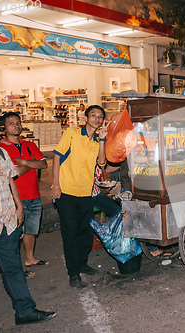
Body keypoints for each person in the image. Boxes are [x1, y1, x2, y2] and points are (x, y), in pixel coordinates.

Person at [0, 119, 56, 325]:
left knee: (13, 268)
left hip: (6, 221)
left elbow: (11, 178)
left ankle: (24, 311)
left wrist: (18, 207)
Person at [51, 105, 107, 288]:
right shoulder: (72, 133)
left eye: (100, 116)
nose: (97, 119)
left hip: (85, 193)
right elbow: (57, 158)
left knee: (85, 231)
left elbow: (101, 162)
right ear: (86, 118)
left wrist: (103, 140)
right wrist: (56, 185)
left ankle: (82, 264)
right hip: (66, 191)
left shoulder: (97, 140)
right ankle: (73, 272)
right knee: (70, 233)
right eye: (93, 115)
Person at [0, 112, 49, 274]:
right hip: (15, 199)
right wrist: (32, 164)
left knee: (31, 230)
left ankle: (30, 258)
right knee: (14, 235)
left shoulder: (30, 144)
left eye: (18, 122)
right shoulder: (0, 150)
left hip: (34, 195)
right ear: (4, 128)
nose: (16, 126)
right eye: (11, 123)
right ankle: (16, 267)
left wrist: (25, 162)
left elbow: (43, 165)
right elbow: (15, 173)